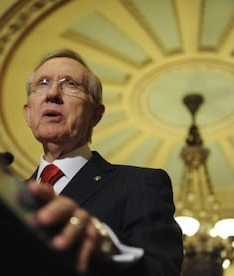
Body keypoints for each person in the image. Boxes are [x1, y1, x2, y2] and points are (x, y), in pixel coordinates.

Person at [22, 48, 183, 275]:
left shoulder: (140, 184)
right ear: (28, 114)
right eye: (43, 83)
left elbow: (162, 270)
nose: (53, 94)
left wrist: (107, 248)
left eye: (70, 84)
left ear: (95, 115)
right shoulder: (9, 194)